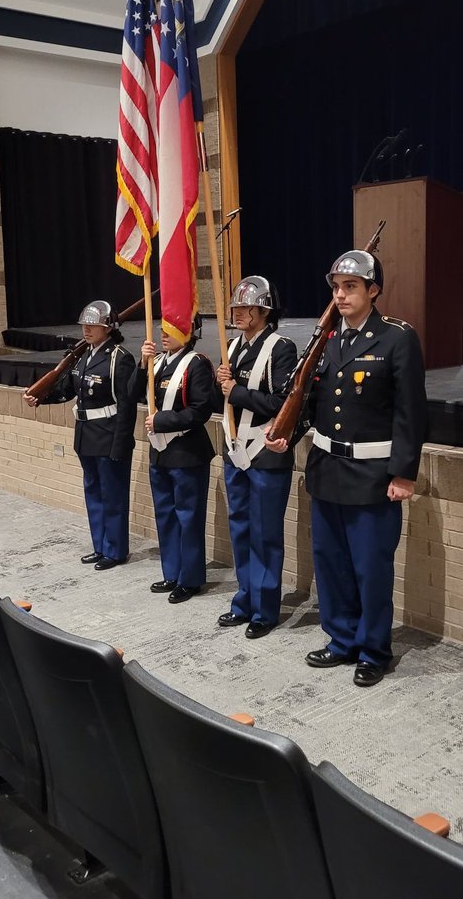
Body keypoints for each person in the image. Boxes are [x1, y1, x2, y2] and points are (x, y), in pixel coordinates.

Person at [267, 250, 427, 685]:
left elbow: (410, 413)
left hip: (374, 476)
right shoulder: (328, 342)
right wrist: (290, 434)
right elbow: (312, 403)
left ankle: (373, 650)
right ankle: (341, 640)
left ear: (373, 291)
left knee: (370, 568)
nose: (341, 295)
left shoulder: (397, 338)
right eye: (336, 287)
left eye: (351, 286)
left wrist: (403, 473)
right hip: (326, 469)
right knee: (331, 563)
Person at [211, 276, 297, 639]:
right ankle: (244, 598)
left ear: (264, 311)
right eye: (236, 307)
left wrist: (237, 391)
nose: (237, 312)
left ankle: (265, 609)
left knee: (265, 533)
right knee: (241, 529)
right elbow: (227, 400)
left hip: (265, 451)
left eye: (245, 307)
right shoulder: (231, 347)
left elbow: (281, 404)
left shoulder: (281, 348)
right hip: (235, 450)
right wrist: (223, 385)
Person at [24, 300, 136, 570]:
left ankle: (115, 550)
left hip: (109, 435)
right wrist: (41, 398)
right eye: (84, 325)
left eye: (93, 325)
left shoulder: (120, 358)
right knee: (94, 495)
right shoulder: (85, 356)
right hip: (86, 435)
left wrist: (121, 444)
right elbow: (68, 390)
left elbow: (126, 406)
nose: (86, 329)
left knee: (112, 496)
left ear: (107, 327)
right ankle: (100, 546)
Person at [129, 321, 215, 603]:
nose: (163, 335)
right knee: (165, 515)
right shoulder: (158, 363)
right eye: (162, 329)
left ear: (189, 333)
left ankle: (190, 579)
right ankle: (172, 572)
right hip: (161, 453)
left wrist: (162, 421)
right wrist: (142, 363)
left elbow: (201, 410)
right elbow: (132, 393)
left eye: (171, 329)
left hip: (187, 452)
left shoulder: (196, 364)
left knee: (188, 518)